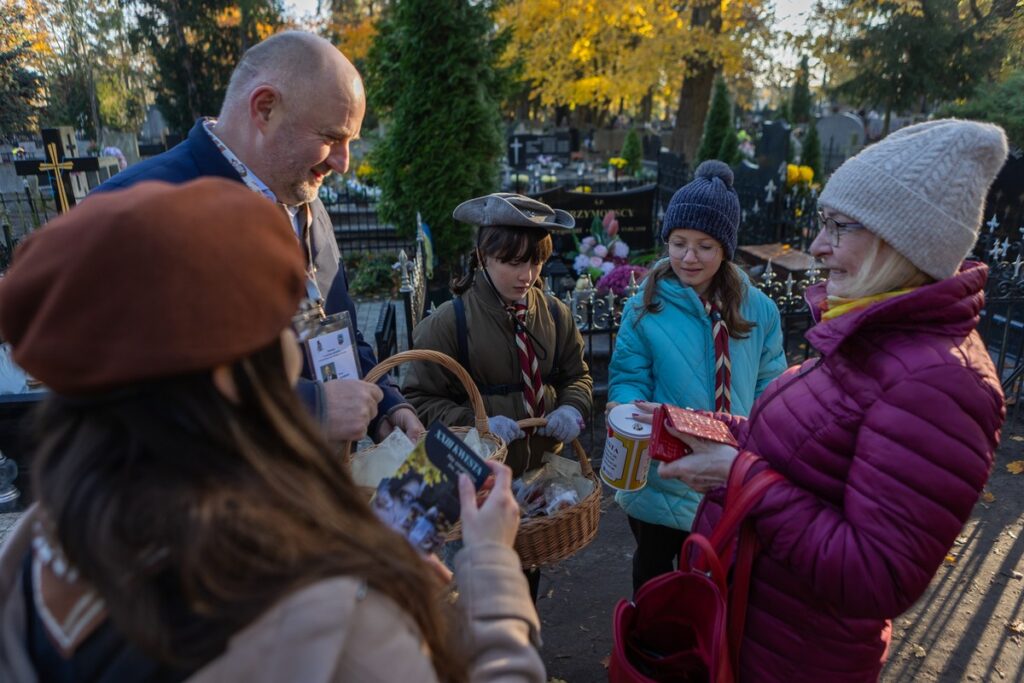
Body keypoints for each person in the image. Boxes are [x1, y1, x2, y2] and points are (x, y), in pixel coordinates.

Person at [0, 179, 544, 682]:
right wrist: (489, 563)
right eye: (284, 326)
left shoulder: (35, 550)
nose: (299, 346)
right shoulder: (320, 618)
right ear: (228, 375)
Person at [655, 119, 1008, 681]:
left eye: (839, 227)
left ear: (903, 241)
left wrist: (739, 476)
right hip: (754, 631)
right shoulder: (869, 332)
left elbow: (877, 575)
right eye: (824, 223)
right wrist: (705, 429)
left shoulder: (941, 383)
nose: (818, 246)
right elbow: (803, 447)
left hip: (796, 658)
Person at [92, 30, 422, 446]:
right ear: (265, 108)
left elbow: (333, 327)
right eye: (331, 138)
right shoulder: (136, 209)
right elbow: (135, 394)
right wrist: (309, 409)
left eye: (350, 142)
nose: (343, 163)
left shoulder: (304, 199)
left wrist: (384, 402)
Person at [607, 160, 786, 593]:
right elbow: (630, 373)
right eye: (679, 243)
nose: (689, 257)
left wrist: (763, 443)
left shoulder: (758, 309)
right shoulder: (645, 306)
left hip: (729, 469)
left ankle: (703, 652)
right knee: (653, 573)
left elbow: (769, 383)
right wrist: (627, 408)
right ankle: (648, 651)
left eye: (705, 245)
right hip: (662, 474)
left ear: (725, 247)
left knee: (718, 577)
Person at [401, 193, 593, 477]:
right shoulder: (448, 322)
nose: (526, 276)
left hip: (546, 476)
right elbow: (419, 400)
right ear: (483, 256)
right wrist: (478, 425)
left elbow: (578, 376)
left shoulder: (555, 313)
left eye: (534, 262)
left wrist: (572, 407)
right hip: (479, 476)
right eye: (513, 263)